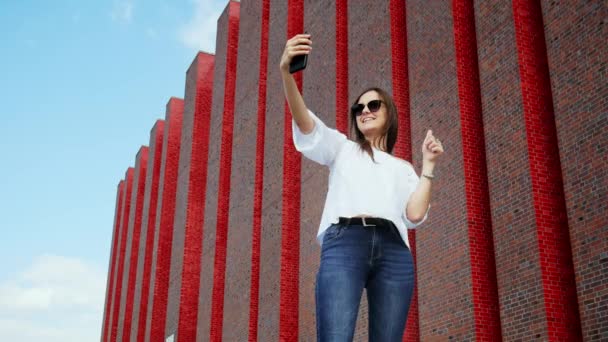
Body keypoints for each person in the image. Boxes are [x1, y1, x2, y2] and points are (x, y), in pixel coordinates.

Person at [280, 34, 444, 342]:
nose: (364, 111)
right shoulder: (342, 148)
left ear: (388, 113)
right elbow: (305, 124)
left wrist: (429, 166)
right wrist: (287, 74)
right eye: (359, 107)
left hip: (395, 249)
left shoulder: (404, 169)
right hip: (346, 242)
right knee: (336, 336)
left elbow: (414, 214)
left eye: (373, 105)